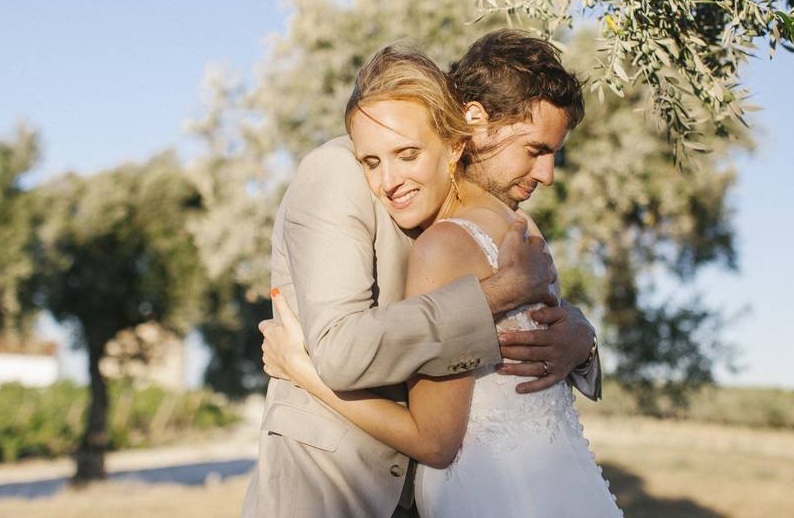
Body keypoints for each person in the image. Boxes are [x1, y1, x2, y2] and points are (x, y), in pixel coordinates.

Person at [241, 31, 606, 518]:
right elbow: (340, 349)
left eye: (408, 155)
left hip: (442, 488)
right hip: (332, 489)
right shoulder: (340, 175)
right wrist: (496, 295)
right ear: (474, 123)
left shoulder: (488, 216)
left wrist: (582, 339)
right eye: (535, 149)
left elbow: (520, 302)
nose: (547, 174)